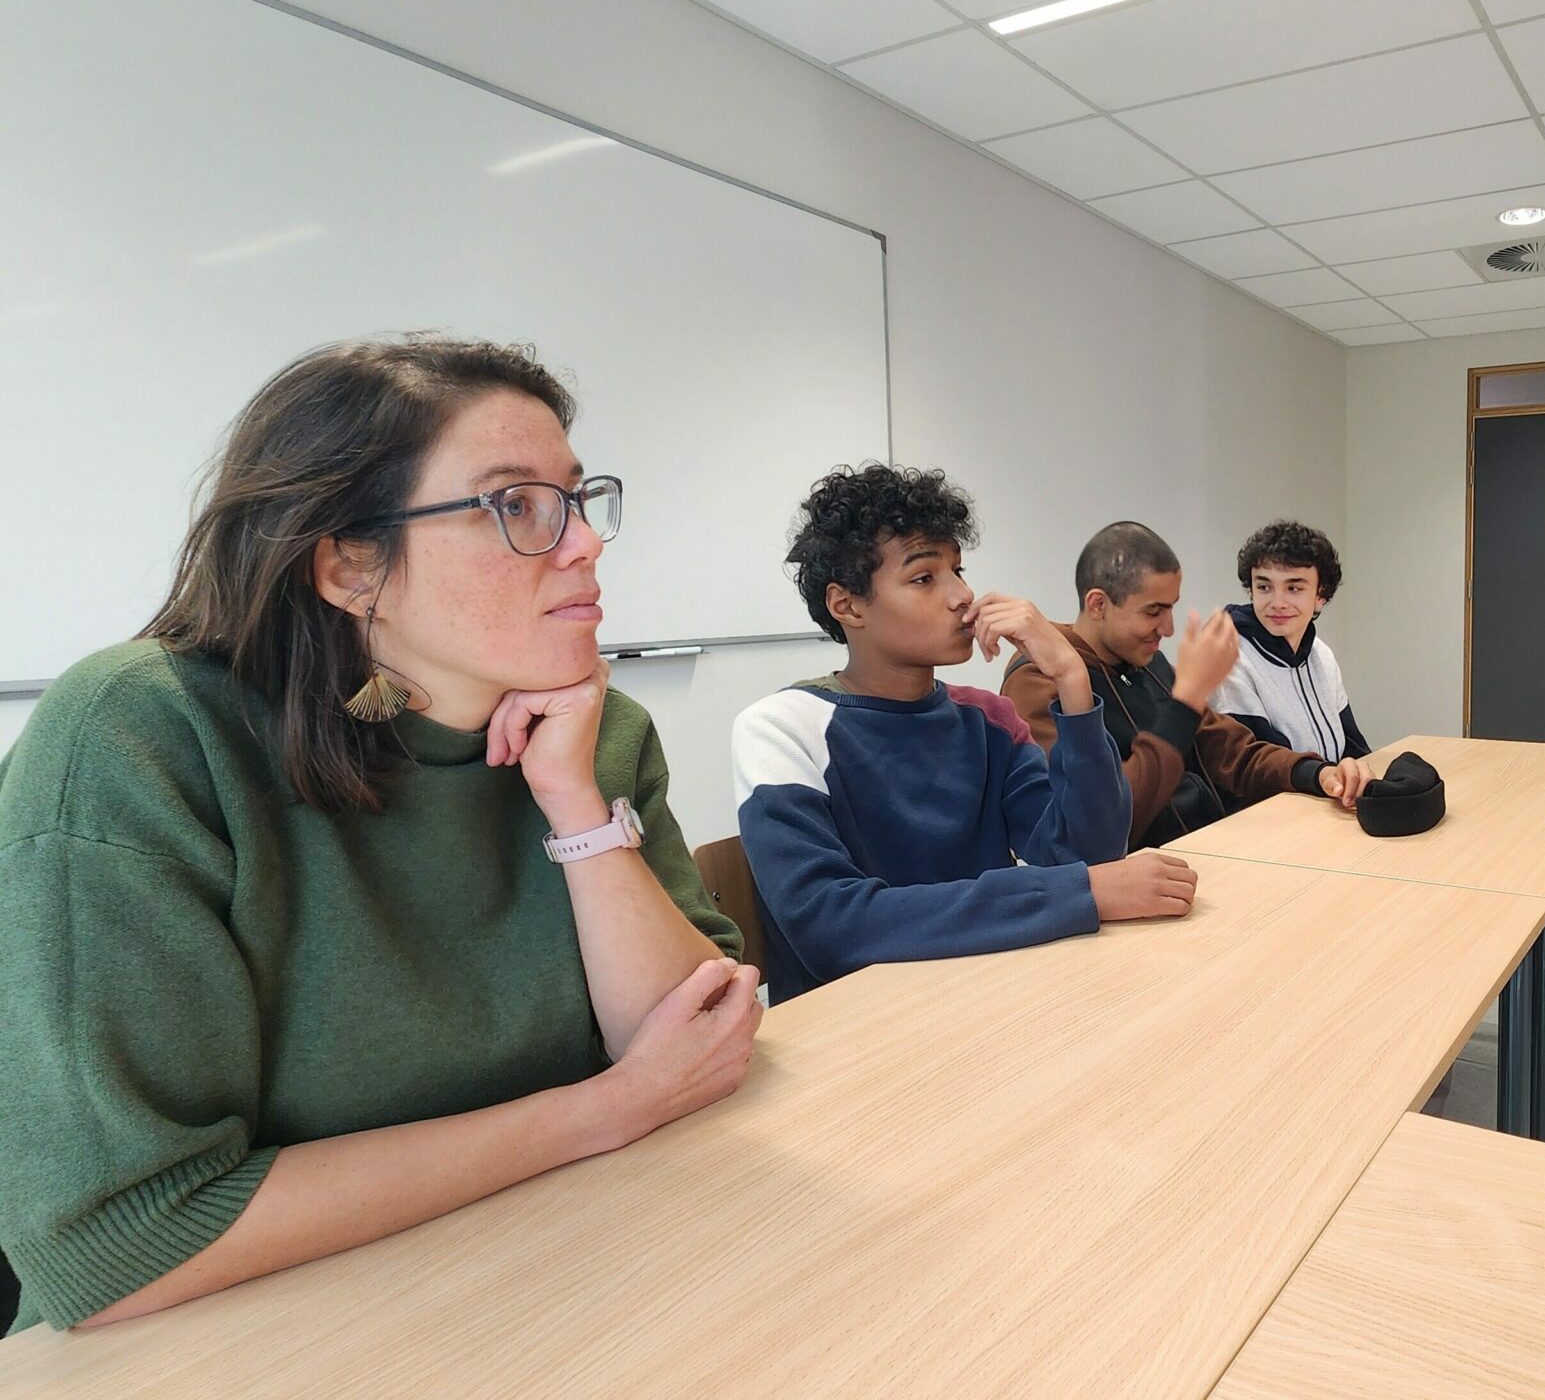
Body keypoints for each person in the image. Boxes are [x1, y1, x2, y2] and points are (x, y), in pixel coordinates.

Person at [0, 338, 757, 1331]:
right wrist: (600, 1113)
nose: (584, 543)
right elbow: (124, 1244)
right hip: (234, 1345)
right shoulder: (143, 736)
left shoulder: (592, 732)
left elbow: (700, 1044)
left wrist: (575, 807)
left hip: (556, 1283)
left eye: (578, 500)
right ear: (350, 564)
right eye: (516, 505)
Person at [732, 465, 1193, 1004]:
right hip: (856, 1022)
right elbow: (831, 928)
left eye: (958, 570)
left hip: (987, 992)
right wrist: (1077, 893)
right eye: (924, 578)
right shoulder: (781, 729)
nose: (963, 595)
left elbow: (1087, 854)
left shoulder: (987, 717)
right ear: (847, 605)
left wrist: (1071, 678)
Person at [1001, 521, 1371, 848]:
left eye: (1172, 608)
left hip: (1212, 848)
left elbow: (1232, 751)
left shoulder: (1146, 661)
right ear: (1098, 605)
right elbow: (1101, 825)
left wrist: (1317, 773)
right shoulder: (1037, 680)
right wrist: (1185, 702)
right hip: (1144, 879)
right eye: (1154, 611)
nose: (1168, 629)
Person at [1211, 520, 1370, 762]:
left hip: (1330, 785)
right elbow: (1259, 768)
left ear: (1321, 595)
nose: (1278, 603)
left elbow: (1354, 749)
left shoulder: (1321, 654)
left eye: (1293, 588)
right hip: (1285, 788)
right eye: (1264, 587)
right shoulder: (1231, 658)